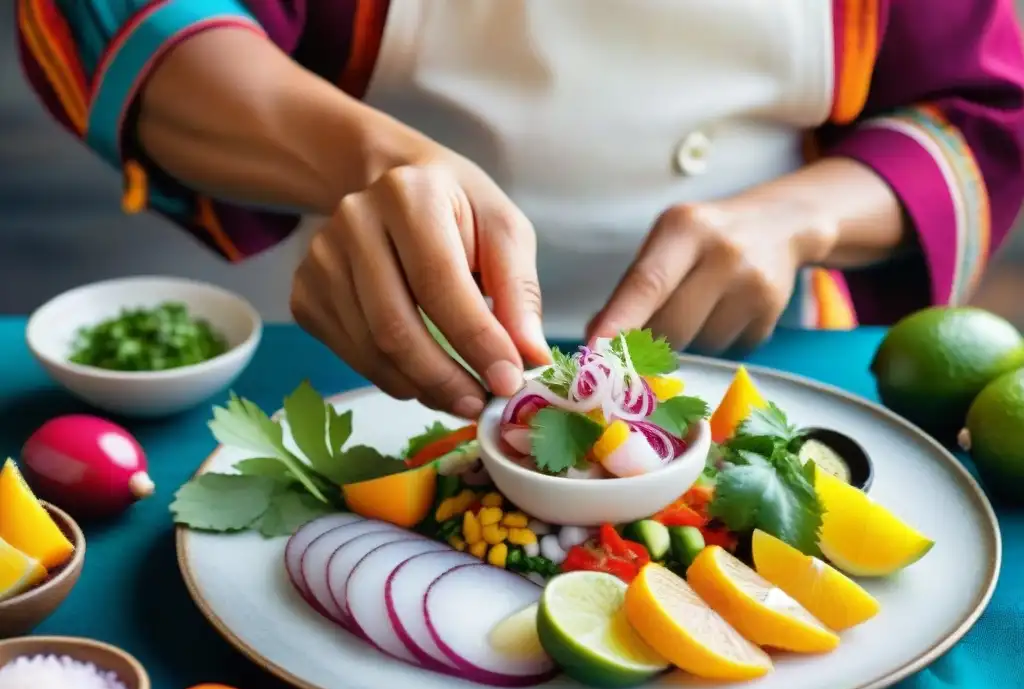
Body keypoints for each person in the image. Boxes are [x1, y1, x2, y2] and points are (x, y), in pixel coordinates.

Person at [16, 0, 1024, 419]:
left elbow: (987, 102)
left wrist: (794, 220)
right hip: (370, 342)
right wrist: (368, 158)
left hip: (769, 350)